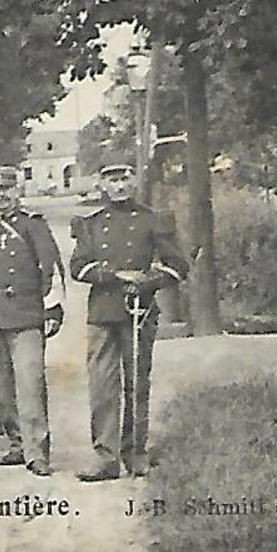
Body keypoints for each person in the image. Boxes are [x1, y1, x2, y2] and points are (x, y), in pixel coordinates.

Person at [69, 161, 190, 482]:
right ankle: (105, 458)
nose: (119, 186)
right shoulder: (91, 224)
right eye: (111, 180)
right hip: (103, 312)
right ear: (101, 184)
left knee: (136, 382)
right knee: (102, 386)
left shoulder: (153, 220)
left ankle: (136, 453)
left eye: (124, 179)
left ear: (134, 181)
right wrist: (113, 276)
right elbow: (78, 266)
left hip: (139, 311)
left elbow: (178, 265)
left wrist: (148, 282)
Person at [0, 165, 65, 476]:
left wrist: (52, 310)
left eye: (7, 189)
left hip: (25, 316)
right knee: (2, 389)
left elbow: (51, 267)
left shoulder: (32, 226)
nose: (2, 196)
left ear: (18, 191)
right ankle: (17, 444)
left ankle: (37, 452)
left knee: (30, 384)